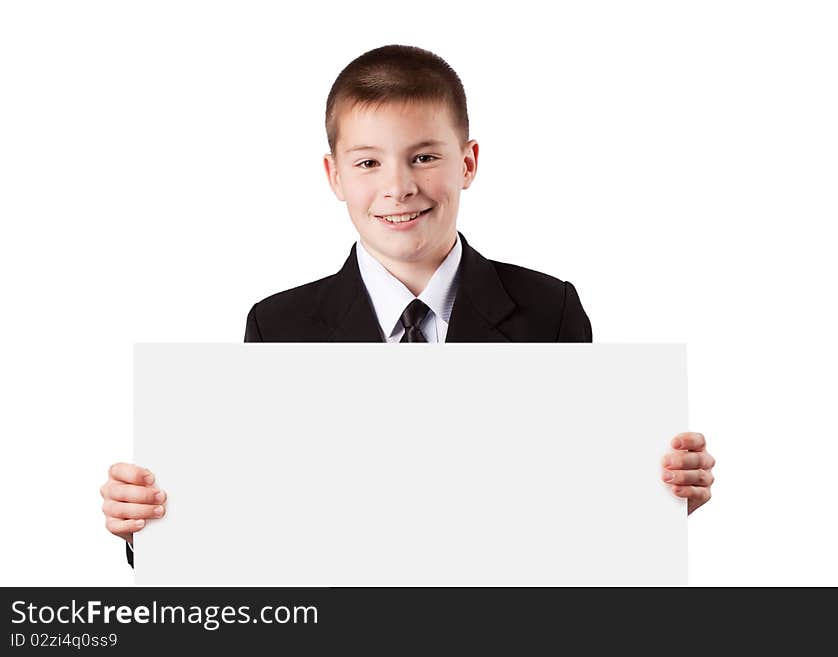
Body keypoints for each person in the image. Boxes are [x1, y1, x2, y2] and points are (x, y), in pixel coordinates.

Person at [100, 45, 715, 569]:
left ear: (467, 161)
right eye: (368, 162)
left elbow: (583, 500)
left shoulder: (547, 310)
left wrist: (657, 498)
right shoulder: (278, 326)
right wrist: (150, 528)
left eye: (424, 156)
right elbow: (254, 509)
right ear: (334, 176)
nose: (399, 186)